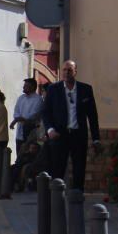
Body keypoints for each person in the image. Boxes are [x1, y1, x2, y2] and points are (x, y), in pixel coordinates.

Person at [42, 60, 101, 191]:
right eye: (64, 70)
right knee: (58, 168)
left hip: (78, 135)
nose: (66, 73)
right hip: (59, 135)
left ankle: (77, 196)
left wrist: (96, 138)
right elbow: (46, 112)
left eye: (69, 70)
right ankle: (56, 198)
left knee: (79, 168)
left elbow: (92, 116)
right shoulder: (54, 89)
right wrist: (50, 130)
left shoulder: (85, 90)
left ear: (75, 72)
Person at [11, 78, 43, 150]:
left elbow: (34, 114)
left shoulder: (38, 99)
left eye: (26, 86)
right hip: (19, 133)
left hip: (31, 132)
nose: (23, 87)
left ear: (32, 87)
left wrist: (20, 119)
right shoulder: (21, 98)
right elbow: (16, 111)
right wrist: (17, 118)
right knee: (19, 154)